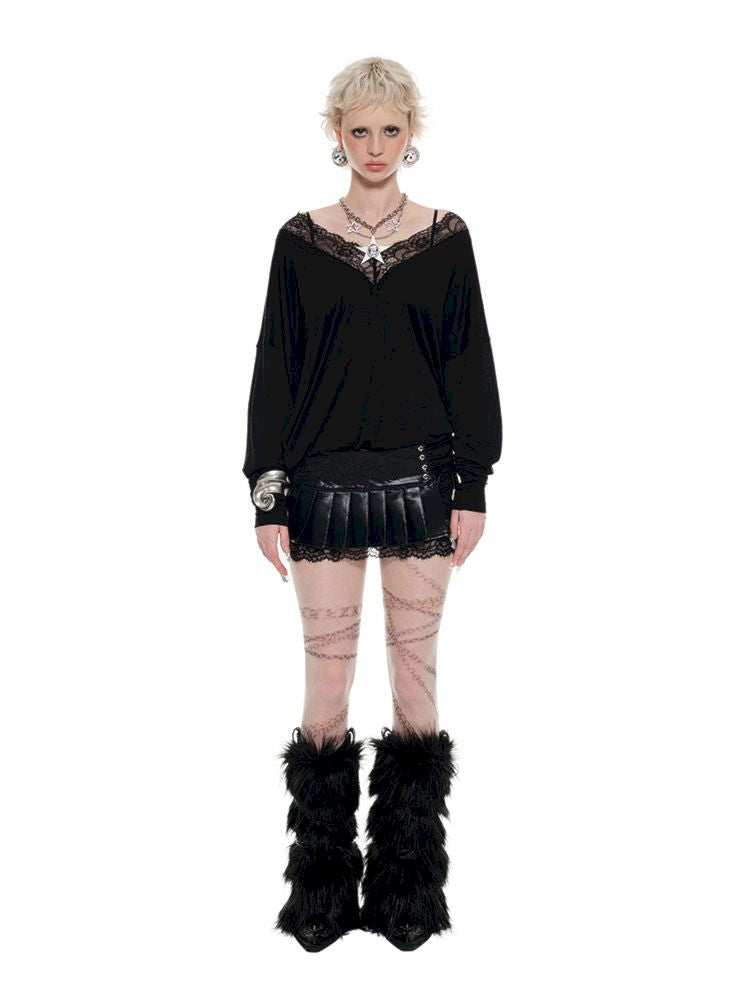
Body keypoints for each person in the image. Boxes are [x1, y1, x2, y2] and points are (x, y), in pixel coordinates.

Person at [242, 58, 502, 953]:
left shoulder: (447, 238)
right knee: (325, 683)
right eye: (360, 130)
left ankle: (408, 888)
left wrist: (472, 482)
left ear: (411, 133)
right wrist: (267, 492)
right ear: (337, 135)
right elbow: (277, 365)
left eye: (391, 130)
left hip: (423, 480)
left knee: (416, 677)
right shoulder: (300, 241)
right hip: (320, 483)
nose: (376, 146)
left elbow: (469, 361)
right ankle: (320, 888)